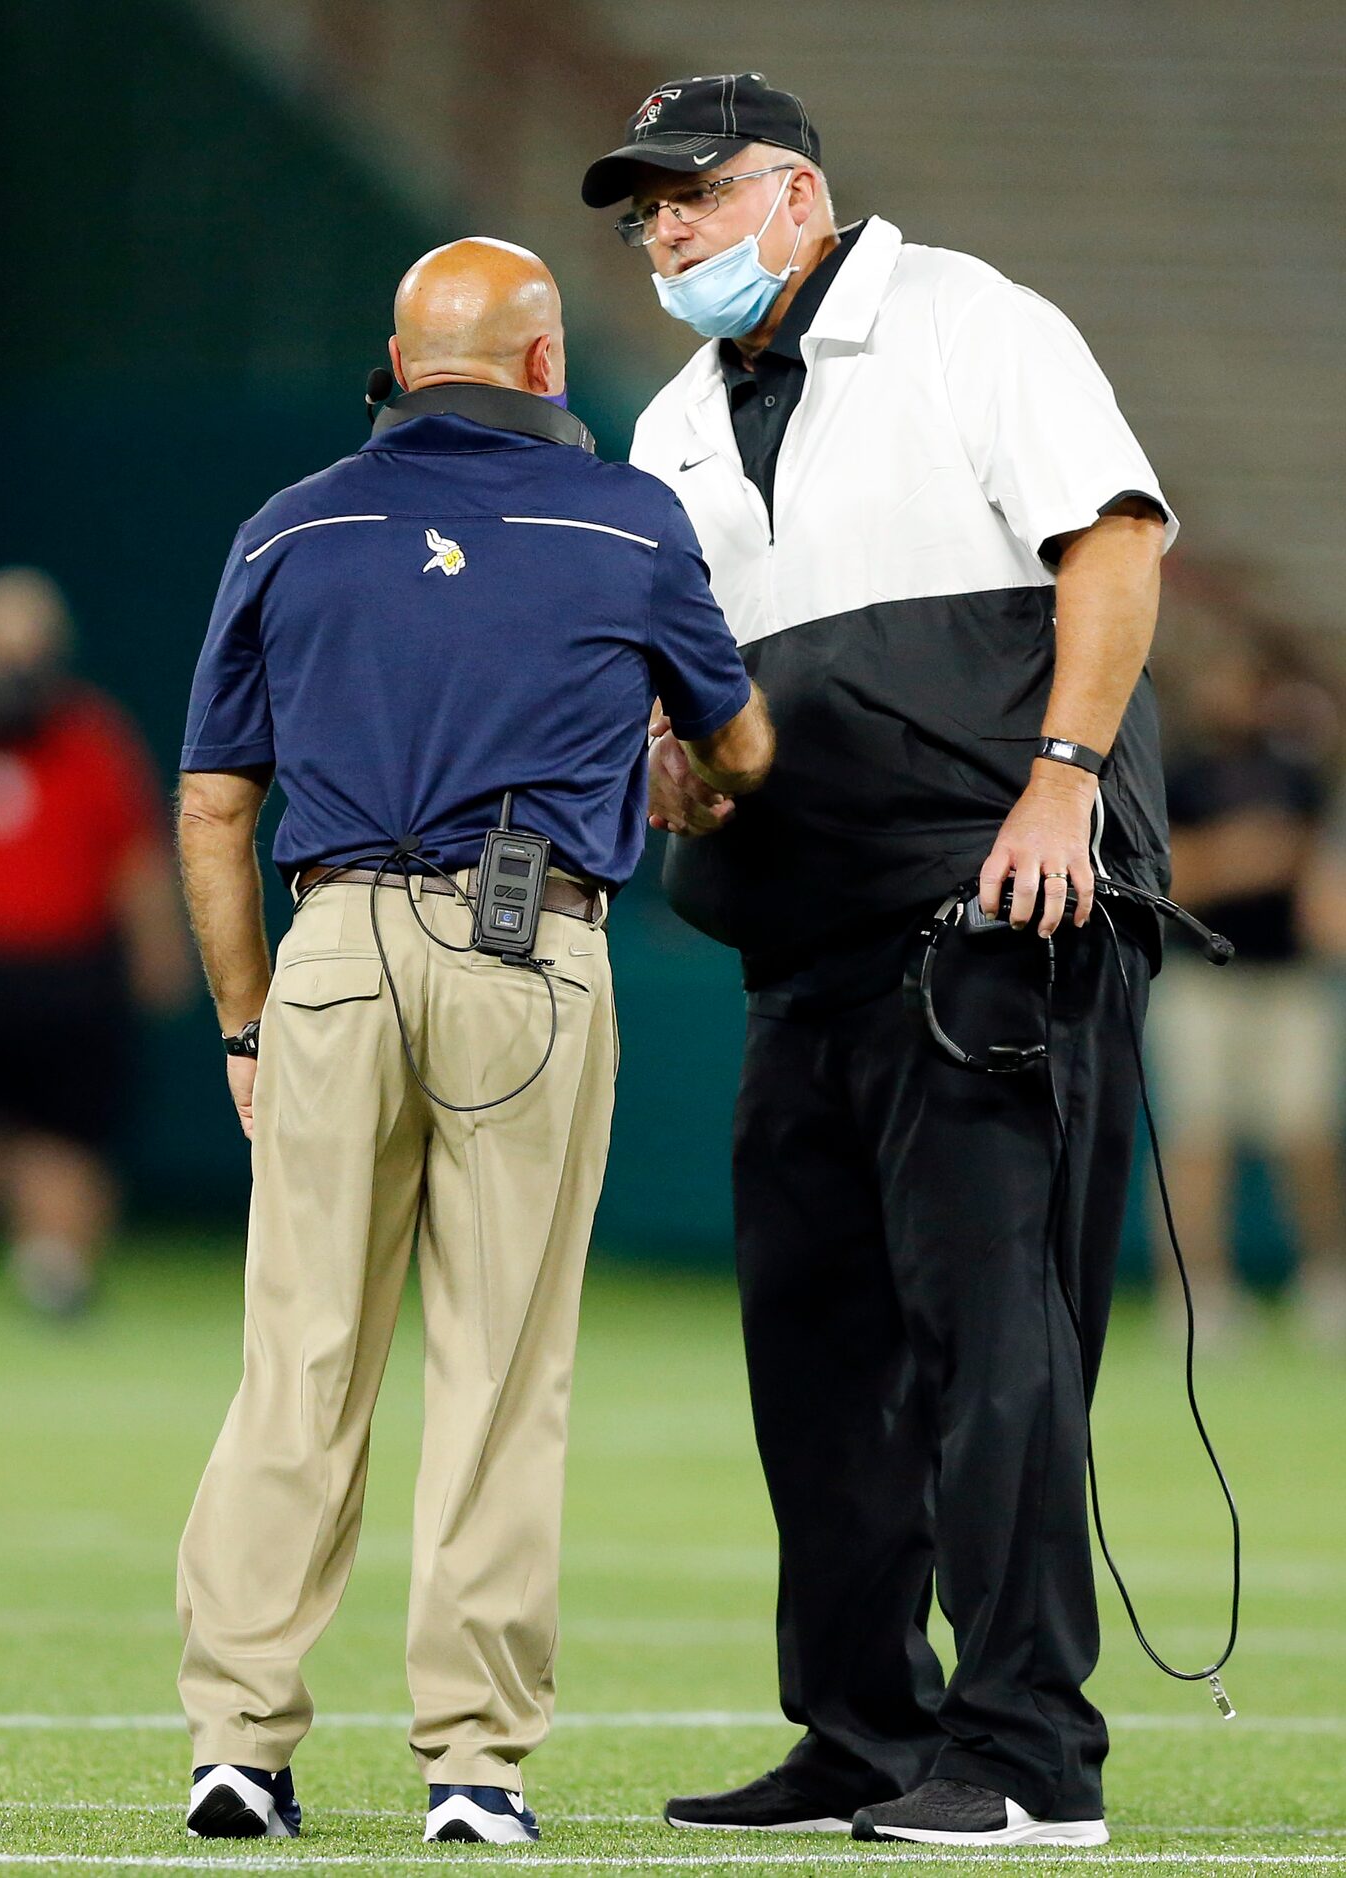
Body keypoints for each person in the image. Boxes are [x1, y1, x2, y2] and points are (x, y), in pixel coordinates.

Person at [582, 73, 1175, 1850]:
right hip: (802, 933)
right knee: (818, 1352)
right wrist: (677, 762)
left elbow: (1118, 540)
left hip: (999, 906)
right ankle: (859, 1724)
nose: (663, 230)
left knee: (990, 1342)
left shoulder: (961, 318)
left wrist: (1061, 783)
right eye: (642, 209)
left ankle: (1024, 1755)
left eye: (690, 193)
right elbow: (698, 701)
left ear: (793, 189)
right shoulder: (673, 420)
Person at [174, 237, 772, 1846]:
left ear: (396, 356)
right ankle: (471, 1769)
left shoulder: (290, 526)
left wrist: (247, 1022)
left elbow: (216, 805)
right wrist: (688, 765)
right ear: (542, 362)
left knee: (297, 1360)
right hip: (529, 949)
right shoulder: (625, 520)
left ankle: (238, 1740)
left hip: (333, 952)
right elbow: (742, 741)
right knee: (501, 1372)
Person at [0, 567, 191, 1315]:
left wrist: (160, 952)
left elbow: (135, 857)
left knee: (65, 1135)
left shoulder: (91, 735)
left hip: (66, 977)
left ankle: (55, 1271)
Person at [1152, 631, 1346, 1346]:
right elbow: (1167, 877)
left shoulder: (1298, 773)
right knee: (1197, 1139)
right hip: (1202, 982)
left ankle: (1327, 1284)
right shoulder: (1176, 773)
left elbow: (1317, 877)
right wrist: (1239, 857)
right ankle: (1198, 1294)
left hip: (1289, 980)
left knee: (1308, 1135)